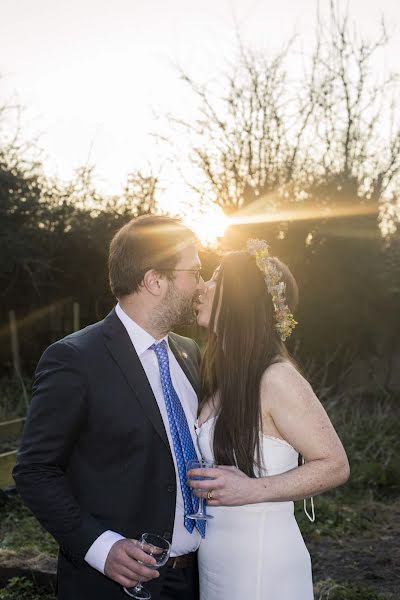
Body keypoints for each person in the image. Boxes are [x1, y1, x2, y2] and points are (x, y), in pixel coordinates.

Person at [13, 215, 206, 600]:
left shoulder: (189, 352)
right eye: (195, 273)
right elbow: (35, 470)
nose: (201, 285)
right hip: (112, 586)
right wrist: (101, 548)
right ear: (154, 281)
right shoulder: (75, 359)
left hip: (196, 580)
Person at [189, 240, 350, 600]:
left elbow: (335, 464)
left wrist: (252, 489)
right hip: (216, 560)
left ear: (240, 298)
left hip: (260, 563)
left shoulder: (276, 378)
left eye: (215, 279)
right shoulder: (220, 379)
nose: (201, 286)